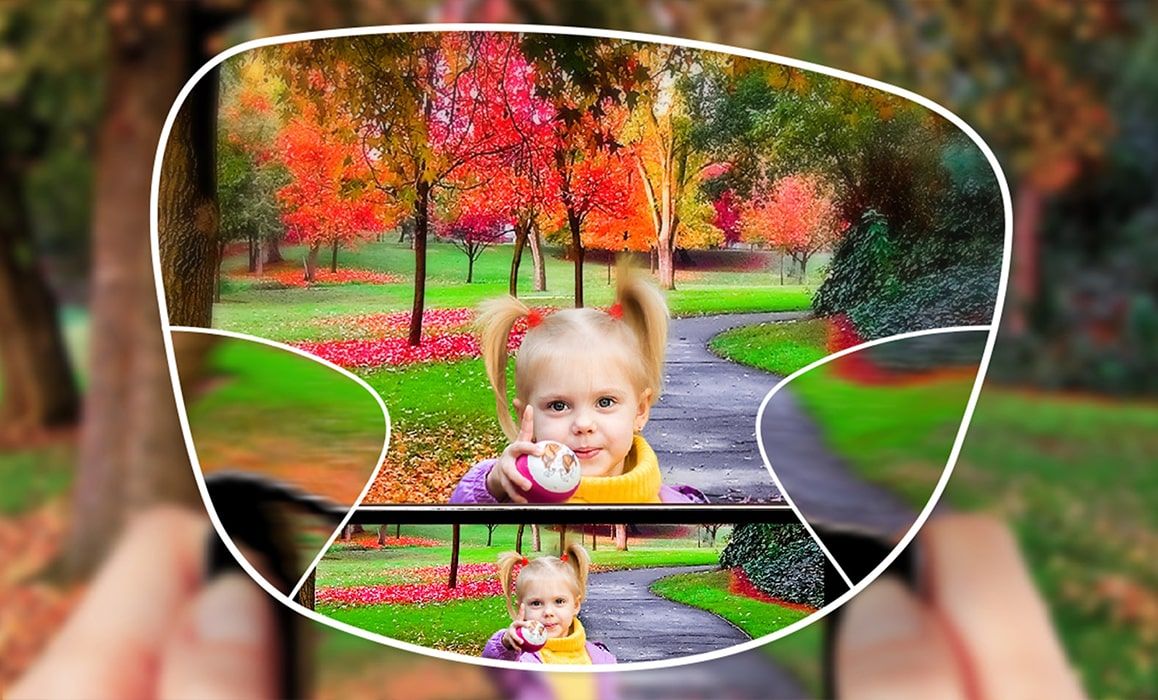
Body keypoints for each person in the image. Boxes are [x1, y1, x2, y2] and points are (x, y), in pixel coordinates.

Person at [450, 266, 706, 504]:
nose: (583, 425)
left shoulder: (676, 506)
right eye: (558, 405)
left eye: (605, 402)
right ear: (524, 416)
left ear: (640, 410)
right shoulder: (516, 495)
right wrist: (494, 483)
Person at [482, 542, 615, 665]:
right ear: (520, 609)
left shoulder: (600, 659)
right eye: (536, 603)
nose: (548, 612)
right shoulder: (520, 659)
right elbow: (491, 677)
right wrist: (505, 646)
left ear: (575, 605)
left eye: (559, 601)